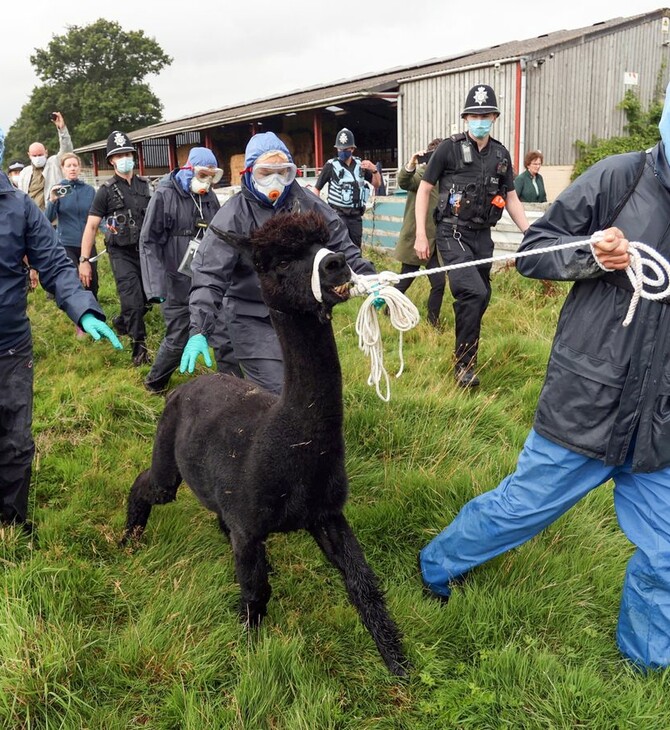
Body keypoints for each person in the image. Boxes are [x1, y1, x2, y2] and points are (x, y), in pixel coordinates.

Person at [419, 83, 670, 671]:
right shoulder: (621, 179)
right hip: (589, 401)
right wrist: (591, 255)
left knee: (668, 553)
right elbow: (534, 250)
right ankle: (436, 566)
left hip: (659, 420)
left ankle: (647, 663)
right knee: (517, 510)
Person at [182, 131, 376, 395]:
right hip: (251, 315)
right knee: (277, 389)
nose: (275, 180)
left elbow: (341, 245)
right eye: (265, 173)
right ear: (248, 173)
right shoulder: (233, 217)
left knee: (313, 385)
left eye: (282, 171)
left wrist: (369, 278)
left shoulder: (307, 204)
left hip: (301, 310)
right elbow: (209, 275)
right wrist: (199, 328)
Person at [0, 127, 122, 536]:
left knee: (15, 442)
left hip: (11, 346)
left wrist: (84, 311)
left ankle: (11, 522)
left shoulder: (18, 206)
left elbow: (52, 263)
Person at [414, 84, 530, 388]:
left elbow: (513, 197)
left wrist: (529, 232)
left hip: (482, 237)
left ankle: (463, 354)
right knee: (473, 293)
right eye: (474, 115)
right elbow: (424, 189)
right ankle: (463, 367)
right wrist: (421, 236)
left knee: (481, 297)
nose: (480, 119)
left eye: (485, 115)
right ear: (466, 119)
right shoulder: (448, 149)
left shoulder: (500, 154)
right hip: (451, 233)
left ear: (494, 117)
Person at [139, 146, 242, 394]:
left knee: (222, 333)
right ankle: (155, 383)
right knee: (178, 335)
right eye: (202, 175)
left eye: (211, 177)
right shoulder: (164, 194)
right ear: (189, 170)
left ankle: (236, 389)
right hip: (174, 278)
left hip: (205, 279)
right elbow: (148, 241)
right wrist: (155, 286)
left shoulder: (209, 198)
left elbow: (222, 234)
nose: (206, 182)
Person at [79, 130, 153, 366]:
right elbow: (91, 226)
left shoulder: (146, 186)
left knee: (147, 300)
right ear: (111, 160)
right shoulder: (105, 191)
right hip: (120, 253)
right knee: (132, 299)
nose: (124, 158)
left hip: (145, 251)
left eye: (127, 154)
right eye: (118, 155)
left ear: (133, 155)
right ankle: (139, 349)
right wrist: (84, 261)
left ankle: (122, 322)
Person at [393, 139, 446, 328]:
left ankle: (433, 322)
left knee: (439, 283)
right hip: (417, 239)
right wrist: (412, 163)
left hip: (435, 243)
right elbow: (404, 181)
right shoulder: (422, 174)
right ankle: (388, 308)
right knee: (405, 280)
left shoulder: (446, 179)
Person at [45, 152, 98, 338]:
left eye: (75, 165)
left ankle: (95, 317)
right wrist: (52, 200)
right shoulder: (58, 189)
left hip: (87, 242)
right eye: (68, 165)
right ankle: (80, 322)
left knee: (92, 281)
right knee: (75, 282)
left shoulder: (89, 191)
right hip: (66, 243)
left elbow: (97, 215)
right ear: (63, 169)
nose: (73, 168)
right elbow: (48, 219)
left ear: (80, 168)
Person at [313, 128, 382, 247]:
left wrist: (374, 170)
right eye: (340, 149)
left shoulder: (361, 166)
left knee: (355, 250)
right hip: (337, 215)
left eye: (345, 149)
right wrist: (317, 212)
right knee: (338, 248)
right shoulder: (330, 166)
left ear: (352, 149)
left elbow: (377, 184)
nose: (342, 152)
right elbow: (316, 189)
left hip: (355, 217)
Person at [17, 112, 73, 210]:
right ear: (29, 155)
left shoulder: (54, 163)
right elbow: (21, 197)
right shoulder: (24, 173)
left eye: (40, 155)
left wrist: (62, 129)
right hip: (33, 217)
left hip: (54, 216)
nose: (38, 158)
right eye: (34, 155)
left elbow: (66, 149)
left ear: (46, 153)